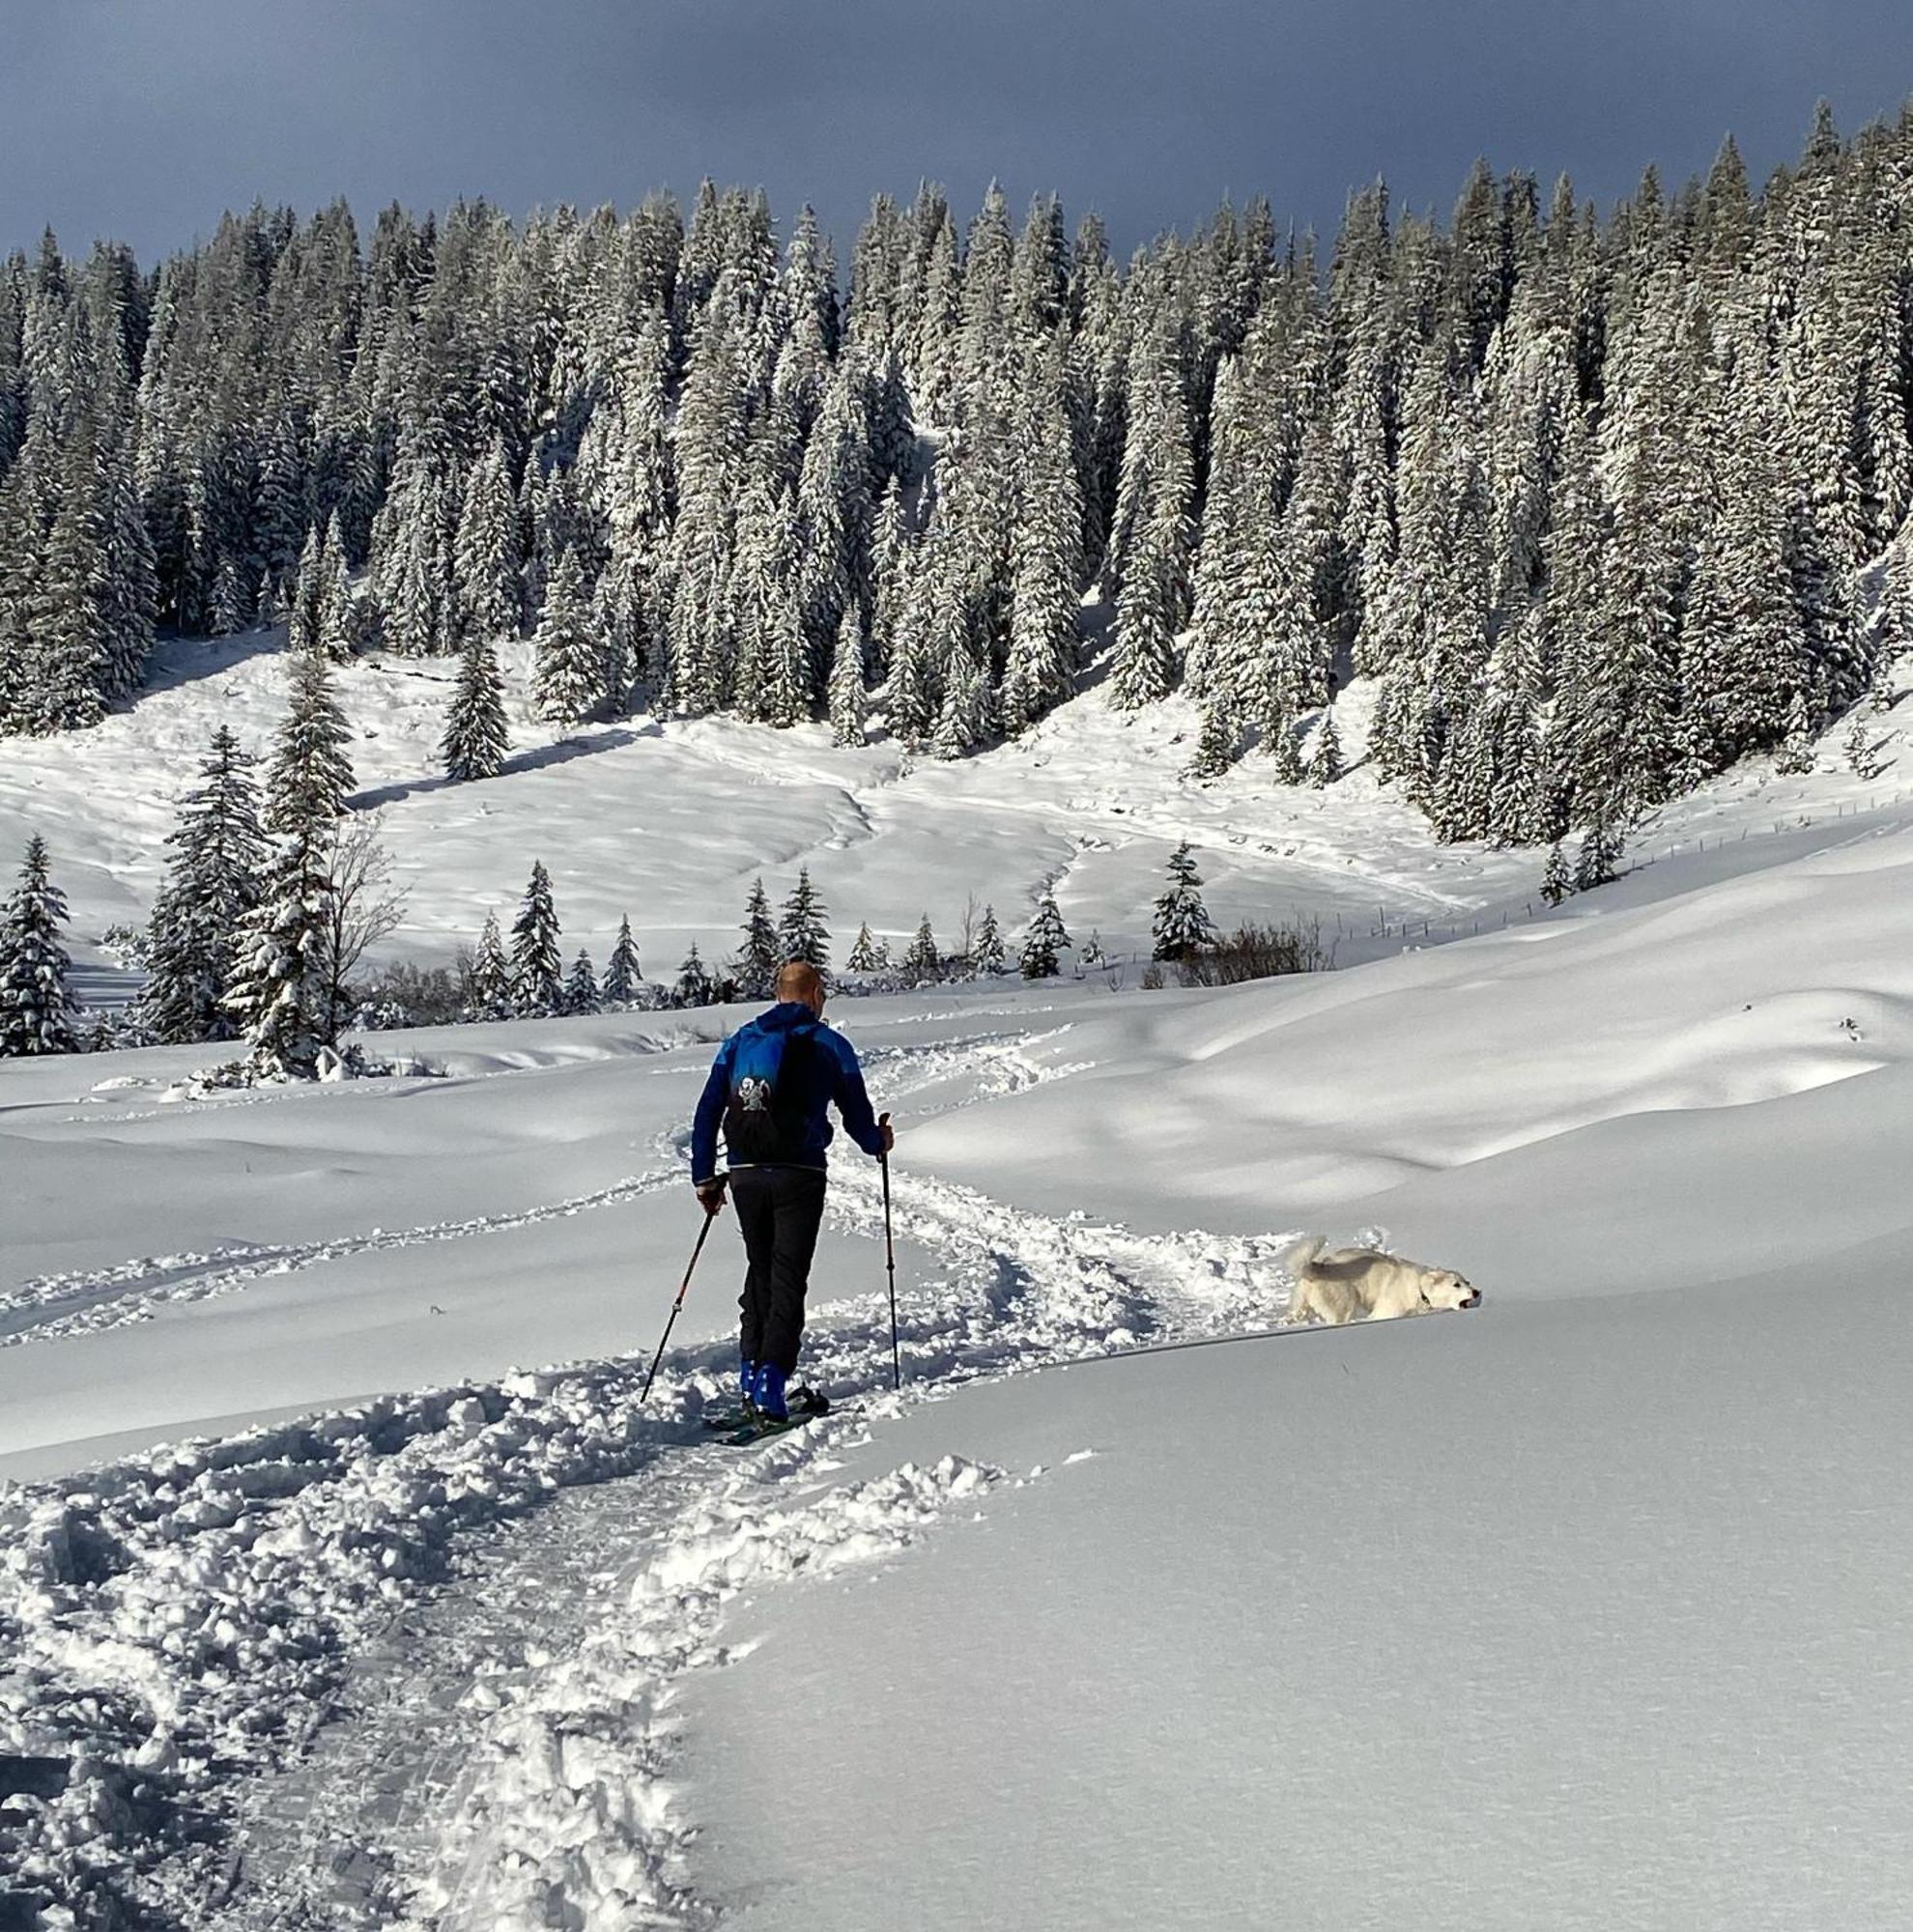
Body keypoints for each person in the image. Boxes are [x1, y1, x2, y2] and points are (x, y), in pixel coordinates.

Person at [690, 958, 894, 1420]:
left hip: (744, 1171)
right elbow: (857, 1115)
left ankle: (750, 1373)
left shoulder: (740, 1041)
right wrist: (877, 1142)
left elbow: (705, 1114)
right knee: (787, 1276)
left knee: (759, 1269)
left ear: (778, 991)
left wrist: (705, 1177)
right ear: (815, 993)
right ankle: (771, 1384)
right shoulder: (830, 1044)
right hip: (799, 1172)